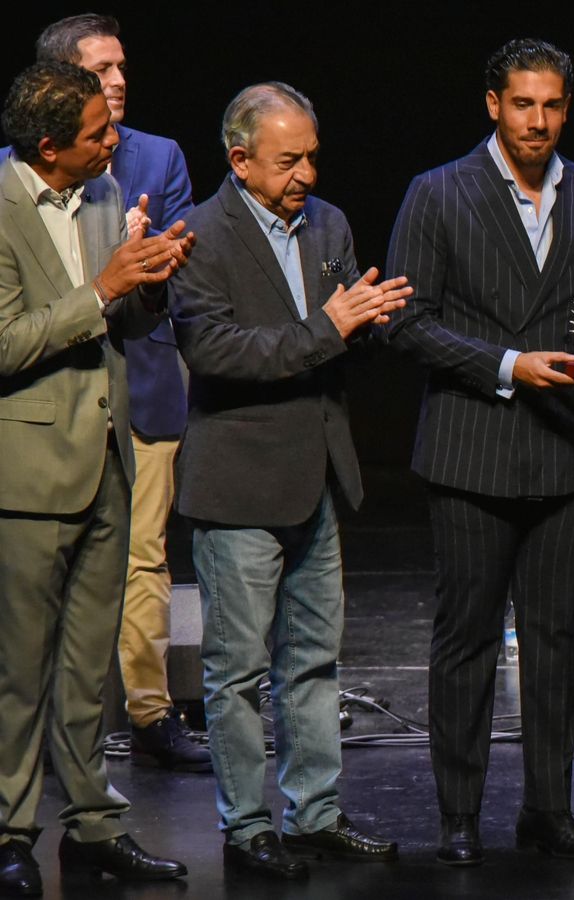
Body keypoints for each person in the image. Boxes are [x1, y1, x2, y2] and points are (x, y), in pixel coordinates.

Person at [385, 38, 574, 866]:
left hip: (563, 453)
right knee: (467, 640)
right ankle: (460, 815)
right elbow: (407, 321)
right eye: (524, 103)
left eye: (553, 105)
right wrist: (505, 365)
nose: (539, 120)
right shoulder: (438, 192)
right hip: (472, 449)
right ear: (493, 104)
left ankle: (548, 812)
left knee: (558, 638)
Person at [168, 82, 409, 881]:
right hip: (239, 485)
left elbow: (338, 336)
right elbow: (219, 353)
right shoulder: (200, 235)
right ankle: (247, 826)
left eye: (311, 155)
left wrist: (369, 325)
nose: (306, 171)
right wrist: (328, 328)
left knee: (313, 661)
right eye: (287, 159)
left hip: (317, 478)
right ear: (239, 160)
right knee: (236, 673)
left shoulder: (329, 223)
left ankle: (317, 814)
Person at [0, 59, 193, 897]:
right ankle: (10, 831)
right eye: (94, 135)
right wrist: (102, 288)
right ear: (48, 147)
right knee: (21, 669)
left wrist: (148, 281)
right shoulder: (2, 209)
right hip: (30, 474)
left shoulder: (108, 195)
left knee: (87, 669)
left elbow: (124, 314)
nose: (113, 140)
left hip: (111, 457)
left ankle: (93, 826)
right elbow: (6, 343)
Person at [27, 11, 207, 774]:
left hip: (143, 380)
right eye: (102, 70)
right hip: (51, 392)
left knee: (142, 558)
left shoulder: (157, 156)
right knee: (46, 564)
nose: (121, 81)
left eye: (123, 66)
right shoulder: (18, 171)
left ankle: (149, 711)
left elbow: (179, 259)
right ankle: (46, 722)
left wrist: (150, 256)